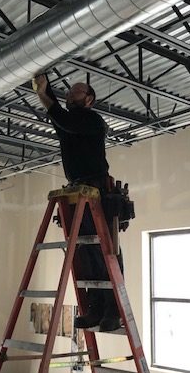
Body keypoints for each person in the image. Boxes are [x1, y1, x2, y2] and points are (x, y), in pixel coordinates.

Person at [33, 73, 123, 332]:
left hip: (96, 190)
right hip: (77, 190)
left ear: (89, 100)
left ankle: (113, 310)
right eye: (69, 92)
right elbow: (60, 118)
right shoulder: (69, 122)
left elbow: (63, 119)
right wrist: (44, 89)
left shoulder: (92, 120)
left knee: (105, 250)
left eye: (77, 92)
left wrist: (44, 93)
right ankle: (95, 308)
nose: (71, 94)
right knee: (85, 251)